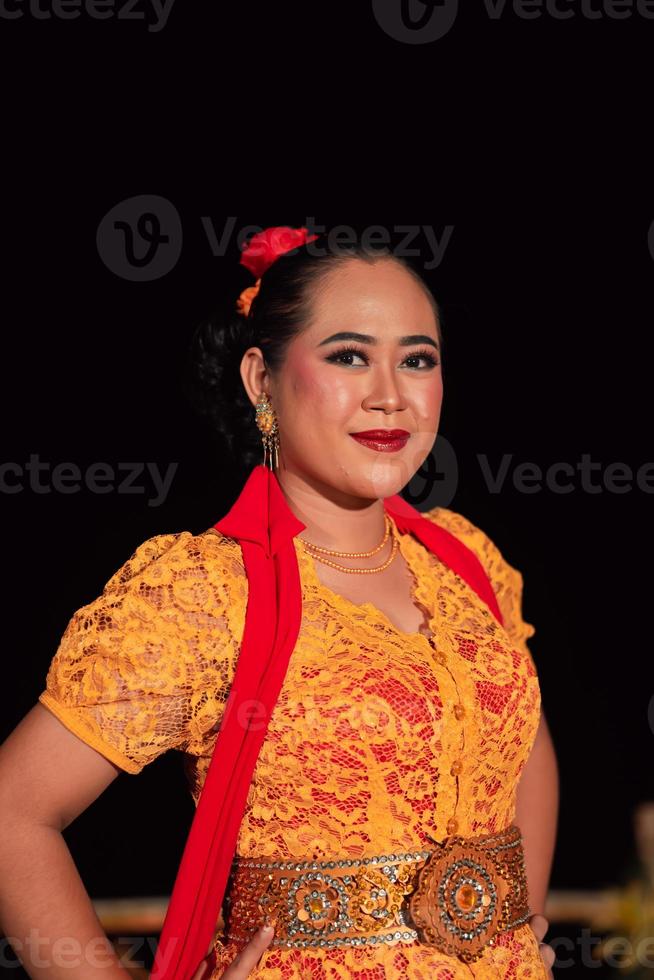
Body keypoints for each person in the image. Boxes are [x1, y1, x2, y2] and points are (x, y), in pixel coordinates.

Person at [0, 226, 558, 979]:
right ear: (261, 379)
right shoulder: (204, 593)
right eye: (349, 356)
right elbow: (13, 814)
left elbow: (522, 746)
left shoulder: (464, 559)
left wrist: (514, 919)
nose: (390, 394)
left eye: (417, 360)